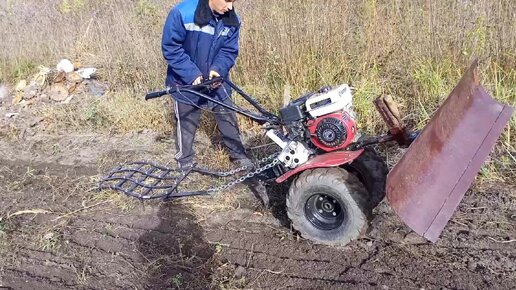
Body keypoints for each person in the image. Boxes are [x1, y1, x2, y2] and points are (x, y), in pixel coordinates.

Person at [162, 0, 252, 169]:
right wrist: (191, 74)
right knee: (186, 122)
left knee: (227, 115)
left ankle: (238, 155)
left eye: (233, 2)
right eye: (227, 0)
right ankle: (185, 160)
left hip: (217, 79)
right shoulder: (182, 13)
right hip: (185, 81)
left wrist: (218, 69)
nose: (230, 7)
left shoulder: (232, 19)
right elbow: (171, 48)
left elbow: (229, 51)